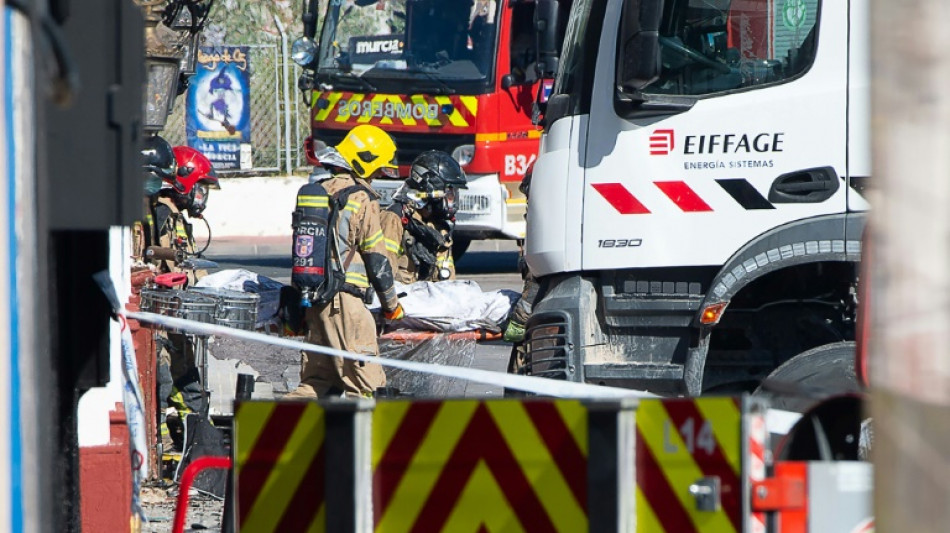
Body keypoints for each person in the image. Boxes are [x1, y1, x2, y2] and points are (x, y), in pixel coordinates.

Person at [286, 124, 405, 399]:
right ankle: (361, 442)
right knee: (368, 390)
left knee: (316, 386)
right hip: (345, 305)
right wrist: (392, 306)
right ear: (366, 162)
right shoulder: (360, 198)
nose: (376, 177)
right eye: (377, 170)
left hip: (314, 304)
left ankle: (267, 435)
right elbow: (378, 260)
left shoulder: (319, 191)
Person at [134, 136, 220, 454]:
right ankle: (158, 447)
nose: (201, 197)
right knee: (163, 382)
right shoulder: (156, 214)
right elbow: (155, 261)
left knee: (189, 383)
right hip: (161, 315)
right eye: (199, 187)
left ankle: (194, 445)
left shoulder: (175, 218)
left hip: (178, 314)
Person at [380, 150, 467, 283]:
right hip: (401, 300)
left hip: (428, 300)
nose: (453, 200)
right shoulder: (395, 218)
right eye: (450, 193)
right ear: (431, 189)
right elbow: (382, 273)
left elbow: (448, 281)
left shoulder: (440, 228)